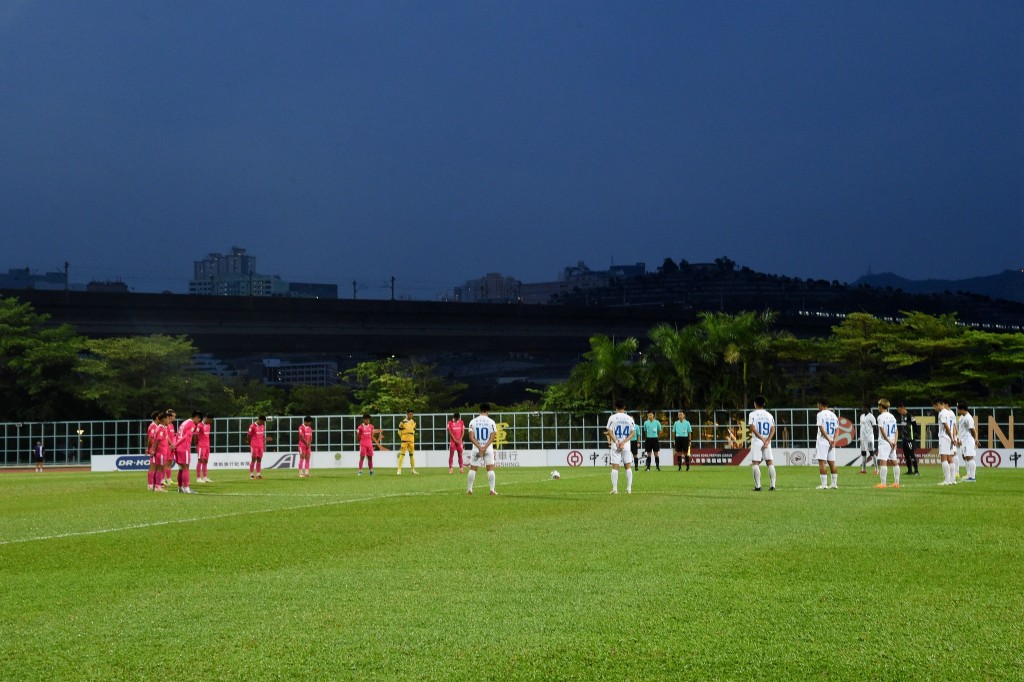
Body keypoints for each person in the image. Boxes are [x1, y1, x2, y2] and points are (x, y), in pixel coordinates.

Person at [467, 404, 498, 495]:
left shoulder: (473, 421)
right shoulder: (491, 422)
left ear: (479, 411)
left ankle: (469, 489)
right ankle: (492, 490)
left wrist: (480, 447)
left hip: (477, 448)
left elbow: (471, 437)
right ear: (488, 411)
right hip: (488, 448)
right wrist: (484, 447)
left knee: (473, 468)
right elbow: (492, 437)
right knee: (490, 469)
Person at [606, 400, 636, 494]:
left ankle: (615, 489)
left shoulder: (612, 417)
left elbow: (609, 431)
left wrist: (616, 441)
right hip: (626, 445)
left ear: (616, 407)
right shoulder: (629, 418)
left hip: (616, 445)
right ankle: (629, 489)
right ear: (625, 407)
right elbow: (632, 433)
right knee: (628, 466)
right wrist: (624, 441)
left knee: (615, 467)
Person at [748, 396, 777, 491]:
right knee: (769, 462)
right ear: (764, 404)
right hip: (767, 441)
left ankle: (758, 486)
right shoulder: (769, 415)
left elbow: (752, 428)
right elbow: (773, 429)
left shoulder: (752, 414)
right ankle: (772, 485)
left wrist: (762, 439)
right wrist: (767, 440)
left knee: (755, 463)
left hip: (757, 440)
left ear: (755, 404)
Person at [173, 411, 201, 494]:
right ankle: (187, 489)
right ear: (196, 417)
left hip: (178, 448)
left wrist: (175, 445)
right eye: (198, 420)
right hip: (183, 447)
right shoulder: (192, 424)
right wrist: (176, 444)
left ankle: (180, 488)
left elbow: (178, 434)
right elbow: (185, 437)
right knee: (186, 468)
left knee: (181, 468)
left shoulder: (184, 422)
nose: (198, 422)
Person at [874, 399, 900, 489]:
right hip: (893, 441)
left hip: (885, 442)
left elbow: (882, 431)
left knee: (883, 462)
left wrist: (888, 441)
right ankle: (897, 483)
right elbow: (896, 430)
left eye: (878, 405)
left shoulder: (880, 417)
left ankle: (883, 483)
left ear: (881, 406)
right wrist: (895, 442)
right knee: (895, 462)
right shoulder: (892, 416)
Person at [815, 399, 839, 489]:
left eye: (818, 404)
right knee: (832, 462)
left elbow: (821, 428)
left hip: (823, 441)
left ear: (821, 404)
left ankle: (824, 485)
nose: (817, 406)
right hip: (832, 441)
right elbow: (837, 429)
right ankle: (834, 484)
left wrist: (828, 439)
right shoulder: (833, 415)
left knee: (822, 462)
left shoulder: (820, 414)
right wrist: (834, 440)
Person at [934, 399, 957, 485]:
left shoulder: (942, 413)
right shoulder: (950, 413)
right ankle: (953, 479)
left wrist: (951, 437)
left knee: (943, 458)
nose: (935, 409)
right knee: (950, 458)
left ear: (938, 405)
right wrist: (953, 437)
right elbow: (954, 426)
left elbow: (946, 425)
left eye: (935, 407)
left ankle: (947, 480)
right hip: (950, 437)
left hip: (944, 437)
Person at [149, 412, 172, 492]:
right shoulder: (161, 428)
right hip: (161, 452)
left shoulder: (161, 427)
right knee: (160, 469)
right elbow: (158, 440)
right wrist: (154, 450)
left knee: (160, 469)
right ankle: (157, 487)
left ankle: (156, 485)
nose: (169, 420)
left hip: (162, 451)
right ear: (164, 419)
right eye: (168, 419)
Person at [956, 402, 978, 482]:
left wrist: (975, 439)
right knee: (965, 457)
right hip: (963, 440)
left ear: (962, 409)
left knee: (969, 457)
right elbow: (961, 430)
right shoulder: (962, 417)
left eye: (959, 410)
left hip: (969, 439)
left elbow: (973, 430)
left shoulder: (969, 418)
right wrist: (959, 439)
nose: (958, 411)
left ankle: (972, 477)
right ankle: (968, 474)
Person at [896, 405, 919, 476]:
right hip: (904, 438)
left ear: (903, 408)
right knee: (906, 455)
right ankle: (909, 470)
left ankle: (916, 471)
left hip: (910, 438)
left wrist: (915, 434)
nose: (899, 412)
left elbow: (915, 426)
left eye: (900, 410)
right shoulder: (902, 416)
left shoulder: (910, 415)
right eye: (898, 411)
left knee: (911, 454)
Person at [247, 415, 271, 480]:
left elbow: (262, 436)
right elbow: (249, 436)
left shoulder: (262, 426)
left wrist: (265, 440)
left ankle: (258, 474)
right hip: (254, 445)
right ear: (259, 419)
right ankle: (251, 474)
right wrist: (250, 444)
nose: (263, 422)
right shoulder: (252, 426)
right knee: (253, 459)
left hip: (261, 445)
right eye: (262, 421)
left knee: (259, 460)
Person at [396, 410, 417, 475]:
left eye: (412, 414)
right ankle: (399, 470)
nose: (411, 415)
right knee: (402, 455)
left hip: (411, 441)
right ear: (407, 414)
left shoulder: (413, 422)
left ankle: (413, 470)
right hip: (404, 441)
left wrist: (412, 437)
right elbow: (399, 432)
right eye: (410, 414)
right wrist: (402, 438)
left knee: (412, 455)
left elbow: (414, 431)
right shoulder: (402, 422)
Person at [859, 404, 877, 475]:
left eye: (865, 407)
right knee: (863, 453)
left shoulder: (871, 417)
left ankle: (876, 469)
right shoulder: (862, 416)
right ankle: (864, 469)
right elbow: (862, 426)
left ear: (868, 408)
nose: (863, 408)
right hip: (862, 437)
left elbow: (875, 427)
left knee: (871, 452)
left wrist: (875, 436)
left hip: (869, 437)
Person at [196, 414, 213, 483]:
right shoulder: (199, 425)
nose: (211, 421)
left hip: (207, 446)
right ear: (206, 418)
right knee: (200, 460)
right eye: (210, 420)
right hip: (201, 446)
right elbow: (195, 435)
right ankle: (198, 478)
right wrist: (197, 444)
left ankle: (205, 477)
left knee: (205, 461)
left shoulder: (209, 425)